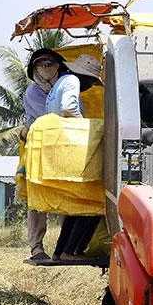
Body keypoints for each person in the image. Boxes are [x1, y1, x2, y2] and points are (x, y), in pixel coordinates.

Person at [47, 53, 104, 261]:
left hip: (60, 149)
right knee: (93, 205)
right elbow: (68, 108)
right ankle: (72, 251)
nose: (89, 86)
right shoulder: (71, 81)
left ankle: (60, 251)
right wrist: (85, 128)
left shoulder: (57, 84)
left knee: (75, 205)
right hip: (71, 148)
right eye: (90, 81)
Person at [21, 48, 67, 263]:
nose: (46, 69)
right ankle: (37, 248)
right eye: (41, 65)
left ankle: (65, 247)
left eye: (49, 64)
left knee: (67, 197)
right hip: (39, 150)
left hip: (63, 149)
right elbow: (50, 119)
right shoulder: (33, 93)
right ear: (35, 70)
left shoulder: (66, 86)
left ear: (57, 66)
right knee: (37, 201)